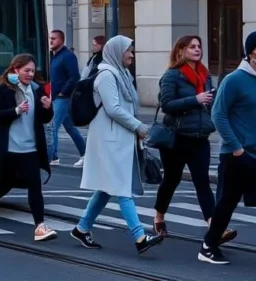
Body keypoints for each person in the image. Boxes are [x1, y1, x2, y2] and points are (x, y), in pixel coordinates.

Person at [198, 31, 256, 267]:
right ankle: (208, 246)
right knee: (227, 204)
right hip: (237, 157)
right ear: (250, 53)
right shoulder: (234, 80)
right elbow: (218, 114)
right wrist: (236, 147)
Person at [70, 35, 164, 254]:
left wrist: (135, 130)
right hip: (108, 141)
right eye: (128, 50)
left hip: (120, 139)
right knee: (122, 189)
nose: (132, 54)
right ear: (116, 52)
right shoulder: (106, 75)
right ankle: (139, 237)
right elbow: (113, 109)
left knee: (106, 188)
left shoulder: (122, 74)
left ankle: (82, 228)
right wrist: (138, 126)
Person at [152, 35, 236, 243]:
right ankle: (159, 216)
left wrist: (213, 116)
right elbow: (166, 105)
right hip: (176, 138)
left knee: (202, 182)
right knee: (171, 181)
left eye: (199, 46)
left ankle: (215, 228)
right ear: (181, 50)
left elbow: (211, 103)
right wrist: (195, 99)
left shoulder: (204, 75)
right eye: (192, 47)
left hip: (200, 138)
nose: (197, 50)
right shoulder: (172, 75)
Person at [0, 54, 56, 241]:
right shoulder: (5, 89)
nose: (30, 74)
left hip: (31, 148)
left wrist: (48, 108)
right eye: (27, 70)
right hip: (10, 148)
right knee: (6, 185)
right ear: (16, 70)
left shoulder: (36, 89)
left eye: (33, 71)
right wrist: (16, 110)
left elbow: (44, 119)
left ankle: (40, 227)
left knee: (35, 186)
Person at [47, 30, 85, 167]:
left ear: (61, 40)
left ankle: (52, 156)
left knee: (52, 126)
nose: (51, 41)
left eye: (54, 38)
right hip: (55, 96)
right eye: (50, 38)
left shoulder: (68, 56)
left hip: (62, 98)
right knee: (70, 127)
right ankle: (85, 154)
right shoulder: (52, 56)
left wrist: (63, 92)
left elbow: (75, 76)